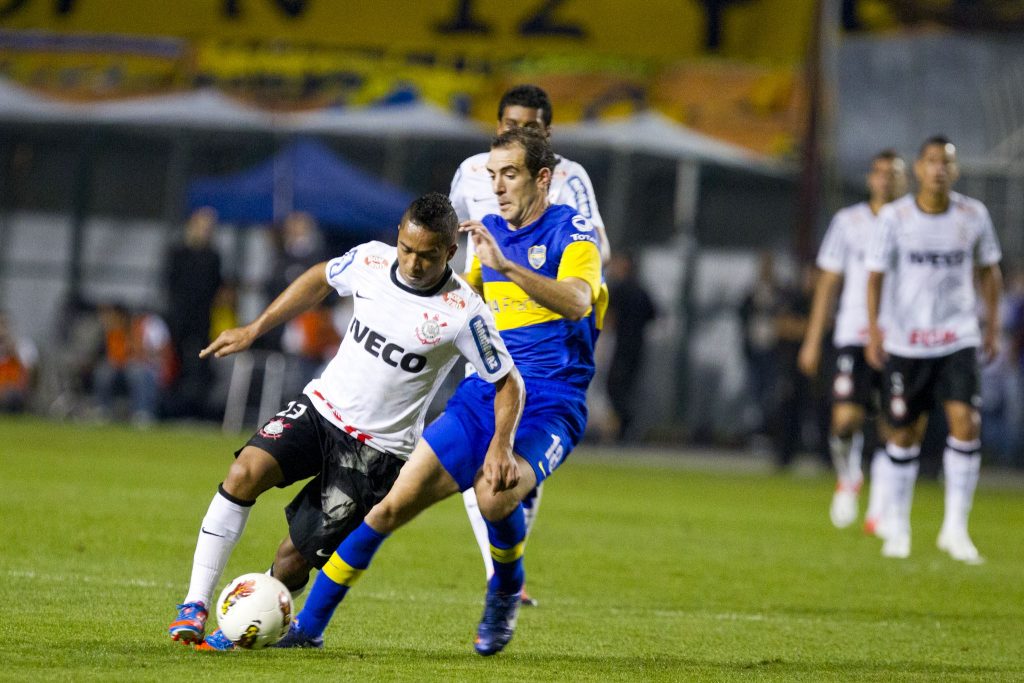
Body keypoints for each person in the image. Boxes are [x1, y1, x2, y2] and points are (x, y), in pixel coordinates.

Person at [279, 127, 607, 655]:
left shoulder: (574, 232)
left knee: (493, 496)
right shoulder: (490, 233)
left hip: (550, 401)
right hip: (484, 396)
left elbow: (576, 303)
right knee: (385, 508)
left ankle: (503, 590)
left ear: (542, 178)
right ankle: (307, 631)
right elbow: (465, 307)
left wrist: (508, 267)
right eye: (492, 174)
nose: (497, 186)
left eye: (511, 174)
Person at [167, 193, 522, 650]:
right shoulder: (371, 261)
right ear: (398, 236)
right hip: (321, 409)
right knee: (243, 472)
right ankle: (194, 603)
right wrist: (255, 328)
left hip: (375, 452)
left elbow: (508, 382)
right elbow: (318, 278)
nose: (413, 262)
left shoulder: (465, 313)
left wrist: (502, 445)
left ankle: (242, 628)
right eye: (407, 249)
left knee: (292, 557)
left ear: (450, 252)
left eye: (427, 255)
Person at [449, 84, 610, 606]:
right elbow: (448, 233)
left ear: (548, 135)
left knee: (512, 468)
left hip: (547, 331)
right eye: (512, 123)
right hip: (483, 322)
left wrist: (535, 260)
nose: (521, 131)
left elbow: (594, 246)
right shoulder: (472, 170)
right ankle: (500, 580)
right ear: (496, 126)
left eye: (534, 126)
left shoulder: (568, 180)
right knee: (488, 460)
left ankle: (503, 576)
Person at [865, 135, 1002, 562]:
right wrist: (874, 330)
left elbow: (989, 271)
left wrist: (991, 326)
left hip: (957, 336)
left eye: (946, 162)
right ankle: (899, 528)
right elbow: (875, 276)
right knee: (904, 433)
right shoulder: (895, 217)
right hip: (908, 341)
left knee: (966, 421)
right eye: (930, 162)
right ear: (919, 169)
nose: (938, 169)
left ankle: (955, 529)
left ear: (954, 171)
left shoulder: (973, 215)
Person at [798, 149, 908, 530]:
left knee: (894, 426)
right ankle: (849, 477)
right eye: (879, 173)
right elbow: (828, 282)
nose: (886, 180)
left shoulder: (914, 223)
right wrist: (812, 339)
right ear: (869, 179)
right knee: (845, 420)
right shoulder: (848, 222)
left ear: (904, 180)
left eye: (893, 174)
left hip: (901, 337)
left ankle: (881, 508)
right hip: (853, 332)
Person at [164, 207, 223, 418]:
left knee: (201, 365)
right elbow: (170, 284)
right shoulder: (178, 253)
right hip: (180, 318)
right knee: (176, 363)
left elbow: (215, 286)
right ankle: (170, 408)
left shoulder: (213, 256)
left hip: (202, 320)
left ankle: (197, 409)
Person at [605, 251, 657, 442]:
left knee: (614, 386)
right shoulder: (642, 290)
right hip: (638, 346)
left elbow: (609, 318)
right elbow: (653, 315)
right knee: (629, 388)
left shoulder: (619, 289)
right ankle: (628, 427)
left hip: (621, 346)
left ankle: (627, 425)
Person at [92, 303, 173, 426]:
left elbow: (159, 354)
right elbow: (115, 357)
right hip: (124, 370)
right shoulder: (115, 331)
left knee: (137, 372)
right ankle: (103, 410)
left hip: (150, 370)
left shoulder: (145, 326)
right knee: (104, 371)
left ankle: (143, 412)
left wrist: (137, 354)